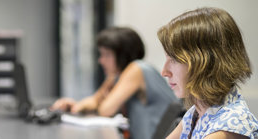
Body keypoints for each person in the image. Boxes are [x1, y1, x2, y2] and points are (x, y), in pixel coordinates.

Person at [51, 27, 179, 139]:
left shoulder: (137, 69)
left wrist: (93, 101)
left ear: (123, 55)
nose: (101, 60)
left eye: (106, 55)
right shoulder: (120, 75)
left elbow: (105, 110)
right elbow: (96, 100)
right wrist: (74, 105)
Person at [158, 7, 258, 139]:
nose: (164, 72)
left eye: (174, 59)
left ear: (204, 63)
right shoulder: (197, 113)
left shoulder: (228, 127)